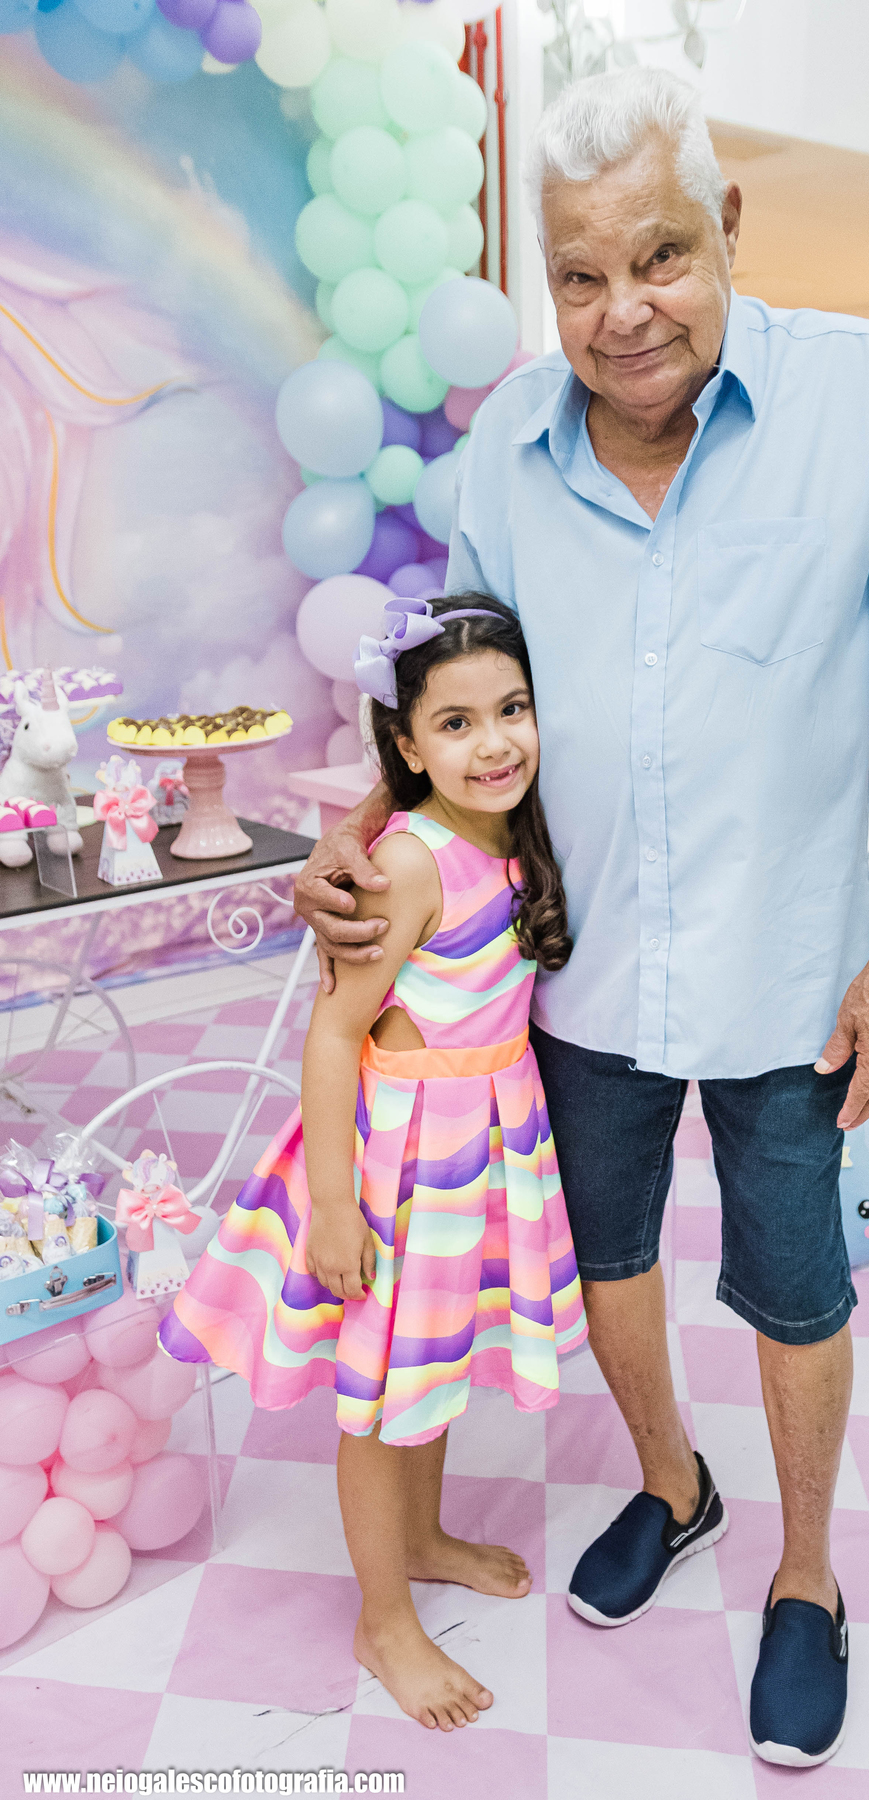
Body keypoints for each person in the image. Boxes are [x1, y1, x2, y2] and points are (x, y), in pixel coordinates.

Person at [293, 67, 869, 1767]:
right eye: (581, 275)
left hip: (788, 980)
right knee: (608, 1261)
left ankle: (806, 1578)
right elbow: (454, 697)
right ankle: (674, 1486)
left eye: (663, 257)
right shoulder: (508, 449)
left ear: (729, 224)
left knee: (797, 1290)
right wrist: (363, 837)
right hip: (575, 973)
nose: (624, 313)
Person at [162, 595, 586, 1732]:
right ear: (405, 744)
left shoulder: (514, 834)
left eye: (511, 710)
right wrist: (335, 1207)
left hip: (483, 1143)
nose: (493, 743)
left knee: (429, 1365)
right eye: (455, 723)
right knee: (378, 1394)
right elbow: (335, 1031)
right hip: (403, 1159)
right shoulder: (411, 861)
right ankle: (383, 1619)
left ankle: (426, 1536)